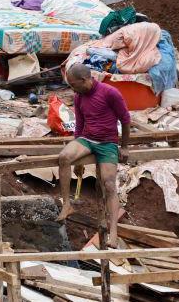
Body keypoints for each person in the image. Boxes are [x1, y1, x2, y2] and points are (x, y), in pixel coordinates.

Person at [56, 63, 131, 247]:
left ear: (84, 80)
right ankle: (67, 204)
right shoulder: (79, 97)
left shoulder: (110, 93)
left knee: (109, 184)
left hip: (107, 143)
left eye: (74, 85)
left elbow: (126, 119)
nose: (73, 89)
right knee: (64, 157)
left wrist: (125, 147)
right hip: (87, 139)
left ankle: (113, 232)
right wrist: (77, 158)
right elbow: (79, 127)